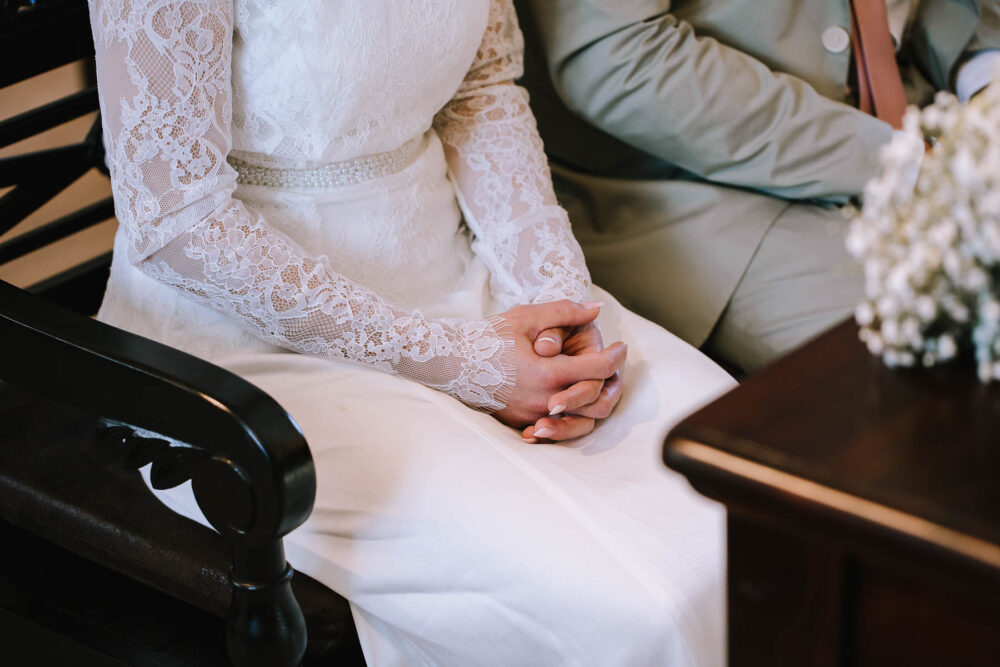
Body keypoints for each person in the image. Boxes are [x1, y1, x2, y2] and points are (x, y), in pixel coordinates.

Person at [87, 1, 736, 664]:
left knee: (747, 502)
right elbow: (176, 218)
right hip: (242, 337)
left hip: (464, 276)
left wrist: (553, 303)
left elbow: (481, 93)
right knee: (631, 603)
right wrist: (461, 363)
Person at [515, 0, 1000, 374]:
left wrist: (986, 87)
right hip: (684, 182)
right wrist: (907, 163)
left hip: (919, 111)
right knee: (956, 356)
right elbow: (617, 57)